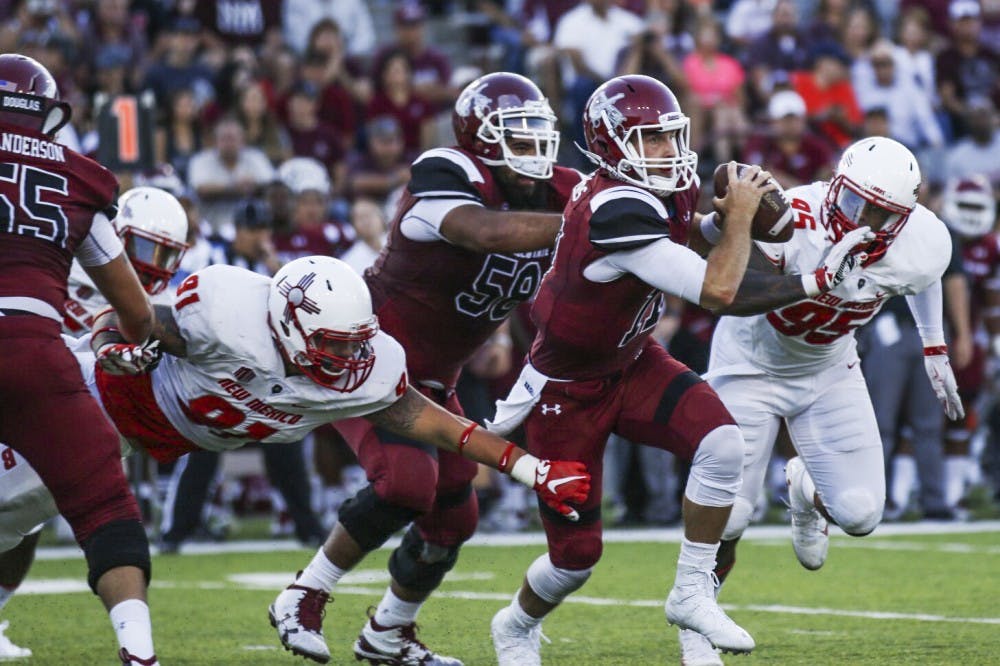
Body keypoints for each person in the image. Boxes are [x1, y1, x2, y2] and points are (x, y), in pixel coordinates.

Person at [484, 74, 875, 666]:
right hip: (569, 389)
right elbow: (719, 290)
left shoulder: (656, 185)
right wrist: (803, 268)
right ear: (612, 145)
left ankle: (692, 591)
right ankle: (515, 624)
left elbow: (691, 232)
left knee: (723, 444)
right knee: (574, 560)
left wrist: (726, 219)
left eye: (671, 136)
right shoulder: (614, 208)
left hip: (633, 359)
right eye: (651, 139)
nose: (668, 151)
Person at [269, 72, 577, 665]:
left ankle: (387, 633)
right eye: (516, 134)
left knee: (455, 513)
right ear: (478, 138)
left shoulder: (561, 192)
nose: (534, 150)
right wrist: (591, 225)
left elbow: (634, 221)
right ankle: (304, 593)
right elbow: (484, 232)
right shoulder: (448, 172)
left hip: (434, 380)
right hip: (363, 354)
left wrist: (700, 227)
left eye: (539, 133)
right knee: (409, 483)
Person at [686, 137, 962, 664]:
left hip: (829, 369)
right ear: (837, 186)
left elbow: (924, 274)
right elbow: (737, 291)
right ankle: (696, 631)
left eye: (883, 214)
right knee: (731, 516)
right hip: (749, 363)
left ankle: (805, 490)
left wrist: (934, 345)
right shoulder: (791, 217)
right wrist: (812, 280)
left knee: (860, 515)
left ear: (905, 216)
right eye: (858, 203)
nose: (865, 219)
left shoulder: (922, 238)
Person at [0, 53, 159, 665]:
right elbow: (136, 312)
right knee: (103, 504)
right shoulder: (78, 176)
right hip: (38, 352)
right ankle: (138, 652)